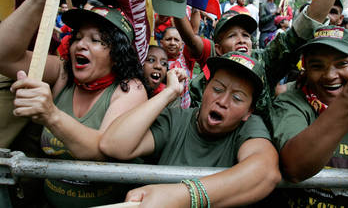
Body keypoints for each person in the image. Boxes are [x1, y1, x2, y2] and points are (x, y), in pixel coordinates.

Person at [0, 0, 148, 207]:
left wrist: (51, 114)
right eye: (78, 37)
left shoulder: (130, 88)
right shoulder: (64, 74)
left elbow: (101, 151)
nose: (81, 45)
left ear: (118, 53)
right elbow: (3, 56)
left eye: (96, 40)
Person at [100, 51, 281, 208]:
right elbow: (113, 144)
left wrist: (181, 197)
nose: (223, 102)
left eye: (237, 98)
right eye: (217, 89)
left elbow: (265, 172)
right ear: (205, 89)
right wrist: (169, 93)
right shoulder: (176, 120)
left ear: (248, 112)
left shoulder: (249, 127)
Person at [269, 25, 348, 207]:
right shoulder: (292, 101)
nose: (330, 75)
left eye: (342, 64)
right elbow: (296, 167)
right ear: (305, 69)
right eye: (317, 66)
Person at [152, 0, 214, 108]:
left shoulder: (185, 56)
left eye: (176, 40)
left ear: (182, 44)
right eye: (168, 40)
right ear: (161, 43)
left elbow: (193, 35)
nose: (172, 43)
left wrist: (196, 5)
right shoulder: (153, 57)